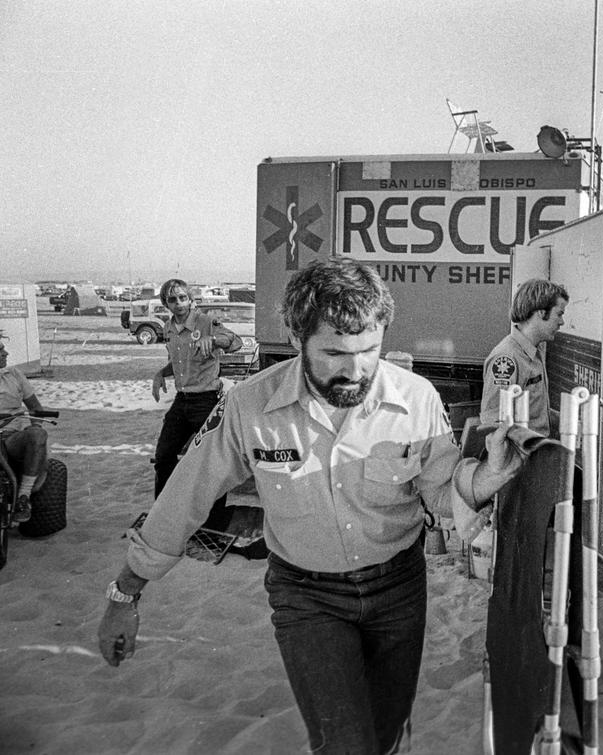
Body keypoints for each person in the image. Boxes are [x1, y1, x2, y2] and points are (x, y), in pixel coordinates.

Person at [98, 258, 524, 753]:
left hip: (399, 591)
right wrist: (124, 594)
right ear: (298, 339)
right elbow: (184, 495)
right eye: (336, 353)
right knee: (343, 744)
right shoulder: (249, 407)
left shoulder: (418, 399)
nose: (356, 369)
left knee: (385, 738)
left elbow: (444, 496)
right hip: (306, 597)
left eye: (369, 350)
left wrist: (488, 476)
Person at [150, 278, 242, 530]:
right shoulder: (169, 328)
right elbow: (180, 363)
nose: (178, 303)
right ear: (165, 303)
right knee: (164, 457)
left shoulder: (206, 322)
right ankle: (165, 515)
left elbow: (236, 342)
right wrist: (161, 373)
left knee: (210, 464)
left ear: (191, 300)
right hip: (182, 401)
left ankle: (212, 524)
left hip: (206, 401)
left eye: (183, 298)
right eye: (172, 299)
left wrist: (213, 341)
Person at [480, 278, 568, 437]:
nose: (562, 322)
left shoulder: (536, 350)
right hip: (521, 456)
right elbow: (494, 423)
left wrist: (567, 422)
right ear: (541, 313)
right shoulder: (506, 358)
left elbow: (535, 414)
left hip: (536, 452)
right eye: (559, 314)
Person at [0, 340, 52, 523]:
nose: (5, 353)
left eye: (4, 348)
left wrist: (35, 432)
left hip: (11, 437)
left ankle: (23, 497)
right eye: (0, 350)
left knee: (38, 435)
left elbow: (35, 408)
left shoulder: (13, 374)